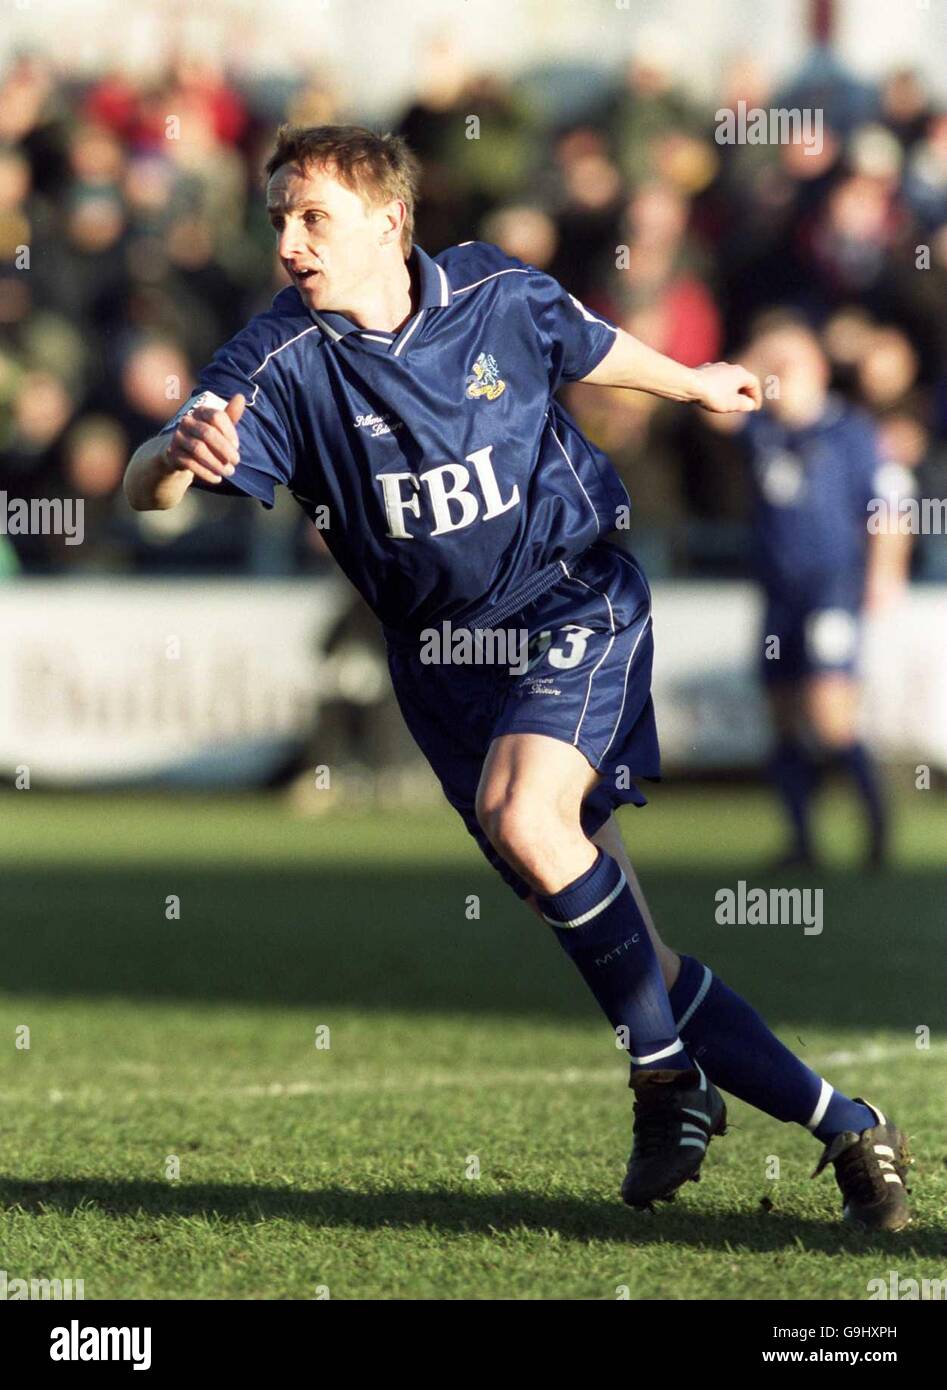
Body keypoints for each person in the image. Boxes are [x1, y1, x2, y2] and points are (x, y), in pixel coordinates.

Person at [124, 125, 911, 1229]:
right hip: (446, 673)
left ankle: (664, 1082)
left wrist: (689, 384)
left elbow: (587, 344)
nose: (290, 242)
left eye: (313, 217)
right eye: (278, 221)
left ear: (390, 222)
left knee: (525, 814)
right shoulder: (278, 359)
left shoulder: (493, 289)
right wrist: (171, 454)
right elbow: (141, 486)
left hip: (570, 598)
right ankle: (845, 1122)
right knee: (627, 942)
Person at [738, 315, 914, 869]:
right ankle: (802, 841)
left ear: (814, 370)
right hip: (778, 589)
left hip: (831, 586)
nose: (774, 378)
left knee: (830, 709)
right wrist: (762, 352)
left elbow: (890, 505)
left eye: (785, 367)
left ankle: (878, 827)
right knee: (783, 712)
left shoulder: (851, 431)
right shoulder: (762, 429)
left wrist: (884, 572)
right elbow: (714, 399)